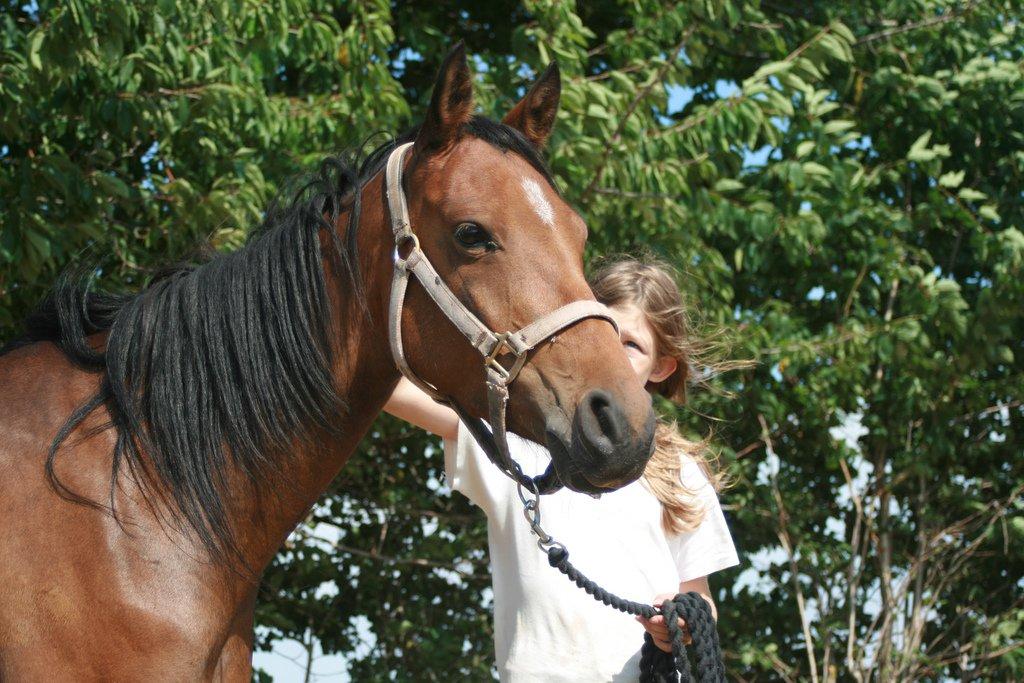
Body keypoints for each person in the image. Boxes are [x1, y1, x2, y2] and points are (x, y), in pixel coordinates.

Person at [384, 254, 739, 681]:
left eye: (632, 345)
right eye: (604, 333)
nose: (613, 353)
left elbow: (700, 599)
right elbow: (394, 391)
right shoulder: (521, 441)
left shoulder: (680, 472)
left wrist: (680, 625)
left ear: (661, 367)